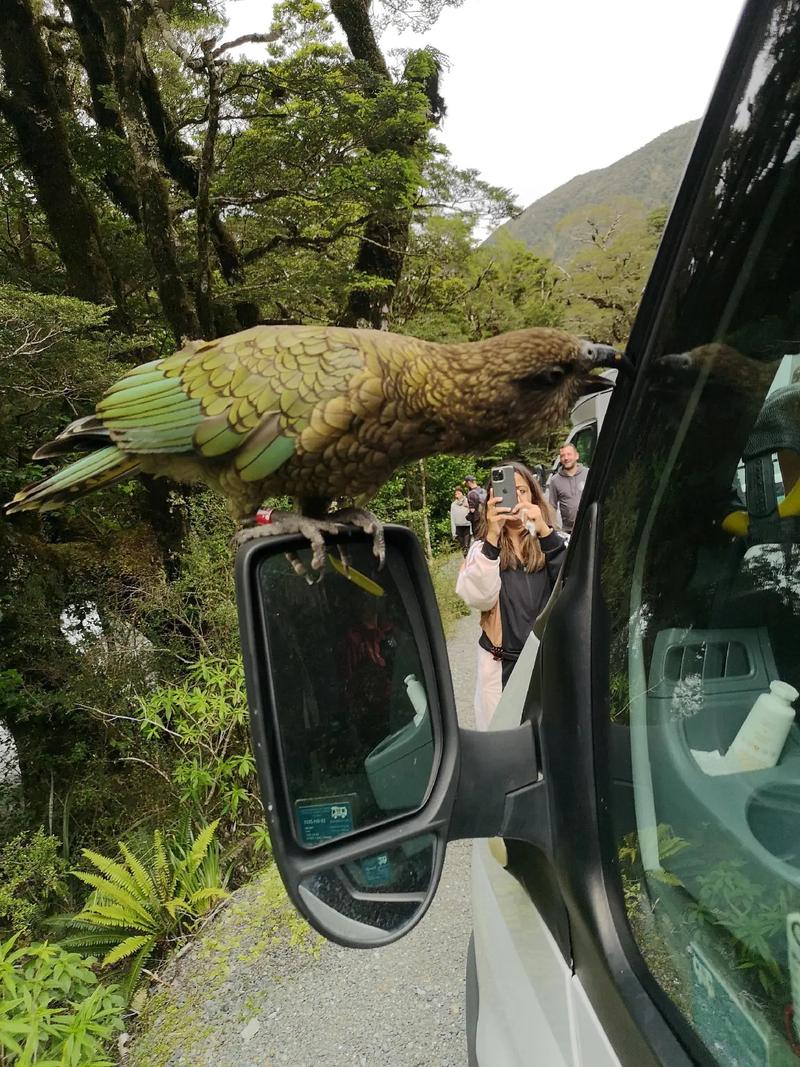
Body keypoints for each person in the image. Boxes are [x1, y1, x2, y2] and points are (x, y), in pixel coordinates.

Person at [456, 461, 566, 730]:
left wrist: (544, 533)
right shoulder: (482, 550)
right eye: (506, 492)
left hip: (548, 663)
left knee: (552, 738)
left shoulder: (556, 540)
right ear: (491, 501)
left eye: (522, 491)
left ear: (535, 497)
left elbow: (572, 586)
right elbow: (477, 597)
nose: (515, 499)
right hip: (503, 665)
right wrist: (493, 537)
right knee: (505, 743)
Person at [548, 442, 588, 534]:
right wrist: (555, 530)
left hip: (589, 525)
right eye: (562, 456)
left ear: (576, 456)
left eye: (569, 454)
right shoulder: (555, 480)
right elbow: (552, 507)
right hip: (569, 531)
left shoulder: (588, 474)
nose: (566, 458)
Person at [449, 487, 472, 555]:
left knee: (466, 546)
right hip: (458, 528)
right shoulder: (453, 505)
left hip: (467, 526)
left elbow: (472, 514)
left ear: (462, 493)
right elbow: (452, 518)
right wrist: (453, 532)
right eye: (456, 494)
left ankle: (469, 560)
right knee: (462, 547)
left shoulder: (468, 501)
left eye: (459, 493)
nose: (457, 495)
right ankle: (466, 561)